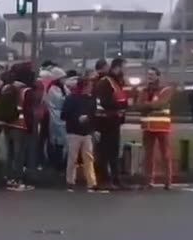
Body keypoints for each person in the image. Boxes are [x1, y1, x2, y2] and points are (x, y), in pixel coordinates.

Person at [0, 63, 37, 192]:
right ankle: (17, 180)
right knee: (19, 155)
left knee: (10, 153)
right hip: (20, 125)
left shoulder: (4, 87)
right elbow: (29, 112)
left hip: (7, 123)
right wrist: (31, 128)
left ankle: (9, 178)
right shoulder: (26, 90)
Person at [92, 57, 129, 190]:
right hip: (104, 122)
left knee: (113, 153)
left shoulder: (116, 81)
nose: (126, 70)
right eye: (124, 67)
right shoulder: (105, 82)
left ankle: (115, 180)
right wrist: (122, 105)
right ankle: (104, 181)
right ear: (117, 67)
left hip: (114, 122)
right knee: (103, 153)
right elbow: (103, 102)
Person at [136, 67, 174, 189]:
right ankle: (148, 181)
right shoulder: (143, 90)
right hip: (147, 127)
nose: (149, 77)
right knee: (148, 155)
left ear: (158, 76)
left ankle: (168, 181)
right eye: (148, 75)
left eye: (152, 74)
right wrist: (150, 105)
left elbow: (160, 104)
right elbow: (137, 106)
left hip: (161, 126)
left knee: (165, 154)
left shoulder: (166, 89)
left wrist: (146, 105)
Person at [61, 71, 98, 192]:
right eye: (89, 86)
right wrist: (77, 118)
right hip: (73, 132)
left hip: (86, 132)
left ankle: (92, 182)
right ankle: (70, 181)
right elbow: (64, 115)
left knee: (89, 158)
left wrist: (91, 124)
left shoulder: (91, 99)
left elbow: (93, 114)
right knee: (73, 158)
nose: (91, 88)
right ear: (84, 87)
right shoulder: (71, 99)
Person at [44, 68, 72, 169]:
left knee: (63, 141)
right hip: (55, 116)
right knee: (57, 141)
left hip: (62, 116)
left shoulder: (63, 87)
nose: (64, 80)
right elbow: (59, 101)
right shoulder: (53, 89)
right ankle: (57, 163)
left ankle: (61, 162)